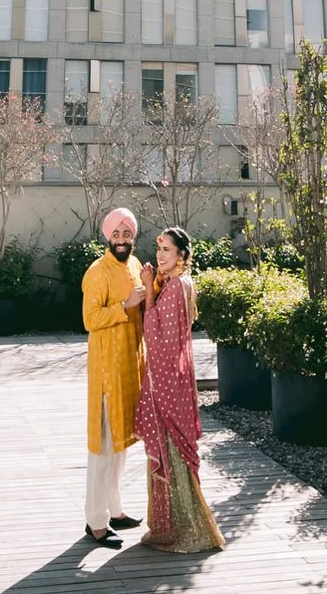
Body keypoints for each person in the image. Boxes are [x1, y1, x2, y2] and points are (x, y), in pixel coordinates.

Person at [136, 227, 225, 554]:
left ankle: (181, 529)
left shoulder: (175, 288)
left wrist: (147, 289)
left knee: (169, 452)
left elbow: (155, 336)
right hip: (176, 378)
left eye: (167, 251)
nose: (160, 256)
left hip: (167, 381)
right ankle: (173, 526)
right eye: (159, 250)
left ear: (182, 256)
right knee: (173, 453)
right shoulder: (181, 285)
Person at [80, 207, 146, 547]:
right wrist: (125, 306)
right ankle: (96, 522)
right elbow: (89, 319)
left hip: (129, 369)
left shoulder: (134, 266)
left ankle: (115, 510)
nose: (121, 240)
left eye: (127, 234)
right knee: (103, 447)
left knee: (121, 445)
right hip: (107, 370)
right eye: (116, 235)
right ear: (107, 237)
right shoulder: (97, 271)